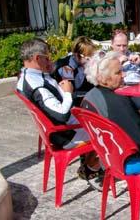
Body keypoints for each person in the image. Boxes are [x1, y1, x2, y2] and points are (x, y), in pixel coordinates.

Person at [16, 38, 102, 188]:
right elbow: (62, 114)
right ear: (37, 58)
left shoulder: (30, 77)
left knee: (102, 119)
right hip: (65, 134)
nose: (51, 61)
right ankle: (90, 168)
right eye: (47, 58)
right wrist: (68, 93)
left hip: (61, 129)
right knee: (109, 131)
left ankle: (91, 162)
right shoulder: (37, 85)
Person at [110, 29, 140, 110]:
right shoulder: (107, 60)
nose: (122, 49)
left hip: (139, 90)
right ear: (112, 44)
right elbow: (105, 80)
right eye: (118, 45)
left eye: (124, 45)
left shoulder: (135, 56)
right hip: (120, 92)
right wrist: (118, 64)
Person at [53, 36, 97, 105]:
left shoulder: (85, 65)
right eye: (88, 57)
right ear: (77, 55)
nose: (91, 60)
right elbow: (70, 92)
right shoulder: (66, 67)